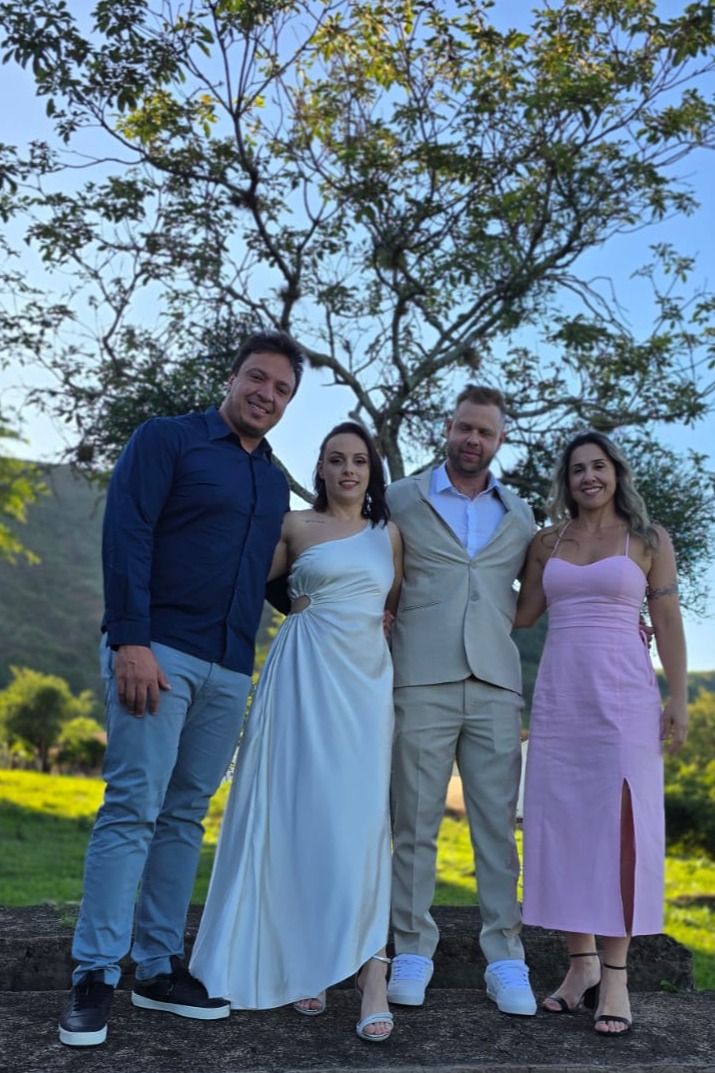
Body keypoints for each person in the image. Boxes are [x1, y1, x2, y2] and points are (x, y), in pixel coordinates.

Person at [58, 330, 305, 1047]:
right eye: (256, 378)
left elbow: (271, 578)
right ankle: (95, 973)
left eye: (281, 389)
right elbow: (128, 532)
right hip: (157, 649)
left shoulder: (273, 481)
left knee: (185, 816)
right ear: (231, 378)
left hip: (230, 666)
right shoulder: (166, 439)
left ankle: (158, 967)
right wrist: (130, 639)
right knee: (133, 806)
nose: (266, 394)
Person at [189, 421, 403, 1042]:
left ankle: (371, 974)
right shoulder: (293, 525)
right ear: (321, 468)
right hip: (302, 674)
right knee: (296, 811)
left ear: (372, 470)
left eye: (358, 460)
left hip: (365, 686)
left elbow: (393, 603)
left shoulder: (389, 534)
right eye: (336, 459)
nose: (347, 470)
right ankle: (305, 958)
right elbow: (245, 581)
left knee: (361, 820)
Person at [514, 430, 688, 1035]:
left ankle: (615, 975)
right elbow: (522, 614)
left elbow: (667, 618)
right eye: (577, 469)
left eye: (598, 466)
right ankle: (580, 963)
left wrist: (678, 699)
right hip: (561, 697)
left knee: (621, 830)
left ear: (616, 473)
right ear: (565, 481)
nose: (589, 476)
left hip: (625, 697)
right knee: (564, 826)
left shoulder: (648, 538)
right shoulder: (547, 542)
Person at [385, 385, 537, 1016]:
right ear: (448, 428)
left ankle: (505, 958)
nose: (474, 439)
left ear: (500, 440)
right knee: (414, 821)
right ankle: (412, 949)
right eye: (465, 427)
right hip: (420, 676)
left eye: (486, 432)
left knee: (497, 828)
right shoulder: (400, 497)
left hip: (496, 683)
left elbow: (542, 590)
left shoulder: (521, 514)